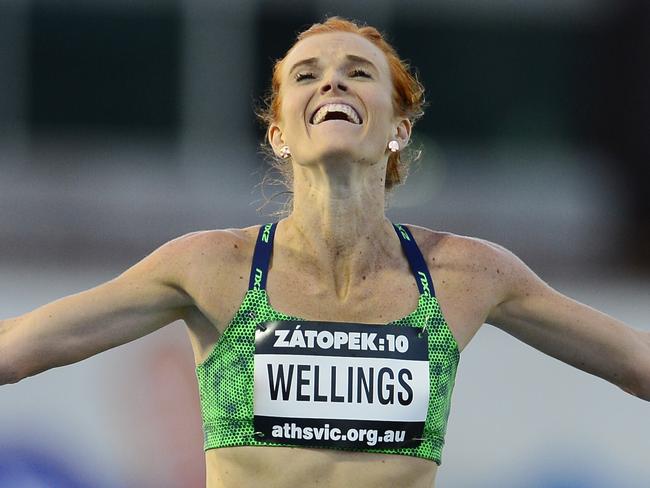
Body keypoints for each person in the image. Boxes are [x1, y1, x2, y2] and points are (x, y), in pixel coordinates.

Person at [1, 16, 648, 488]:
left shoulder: (465, 274)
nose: (332, 83)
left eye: (358, 73)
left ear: (398, 128)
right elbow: (18, 348)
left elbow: (634, 362)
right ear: (280, 133)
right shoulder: (212, 267)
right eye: (307, 75)